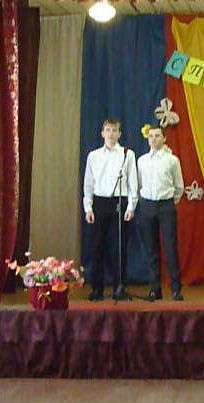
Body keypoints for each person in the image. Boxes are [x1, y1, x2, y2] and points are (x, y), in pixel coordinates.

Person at [83, 119, 138, 301]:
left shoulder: (127, 154)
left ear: (119, 134)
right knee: (97, 247)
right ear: (102, 133)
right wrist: (88, 207)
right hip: (99, 202)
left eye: (114, 130)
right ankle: (96, 289)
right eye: (108, 130)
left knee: (118, 247)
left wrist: (131, 206)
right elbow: (88, 183)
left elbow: (132, 182)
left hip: (119, 202)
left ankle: (118, 288)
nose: (111, 133)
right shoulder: (93, 156)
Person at [137, 126, 185, 301]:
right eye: (151, 136)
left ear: (164, 138)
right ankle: (155, 288)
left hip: (166, 206)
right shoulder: (142, 161)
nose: (153, 139)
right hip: (147, 205)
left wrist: (171, 201)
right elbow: (139, 184)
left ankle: (175, 289)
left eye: (157, 136)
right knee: (151, 248)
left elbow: (179, 186)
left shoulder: (172, 160)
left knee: (170, 247)